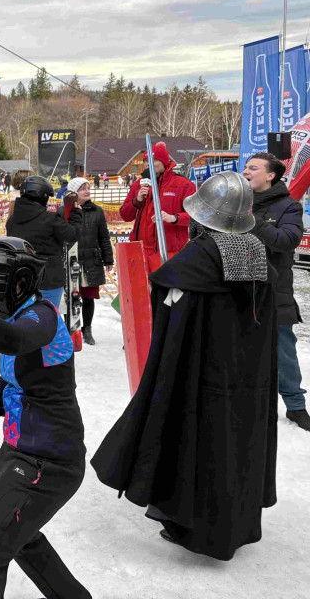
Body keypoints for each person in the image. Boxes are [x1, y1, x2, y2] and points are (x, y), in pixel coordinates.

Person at [91, 171, 277, 561]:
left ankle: (198, 532)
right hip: (246, 378)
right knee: (237, 441)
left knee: (199, 439)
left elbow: (171, 301)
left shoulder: (203, 253)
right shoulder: (255, 250)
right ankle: (236, 526)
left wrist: (168, 290)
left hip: (201, 372)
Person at [0, 237, 91, 599]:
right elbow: (14, 375)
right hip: (18, 451)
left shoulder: (42, 316)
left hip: (48, 462)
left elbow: (15, 341)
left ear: (17, 282)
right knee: (20, 538)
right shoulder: (17, 315)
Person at [244, 152, 310, 431]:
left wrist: (252, 220)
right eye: (245, 166)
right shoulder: (234, 202)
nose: (246, 171)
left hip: (273, 291)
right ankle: (243, 402)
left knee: (283, 352)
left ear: (271, 175)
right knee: (237, 350)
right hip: (236, 289)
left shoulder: (289, 207)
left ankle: (295, 406)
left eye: (253, 168)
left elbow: (286, 241)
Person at [119, 142, 195, 273]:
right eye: (146, 160)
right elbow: (125, 215)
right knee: (142, 293)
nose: (149, 164)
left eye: (154, 160)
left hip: (170, 252)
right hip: (140, 252)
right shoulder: (138, 185)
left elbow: (197, 216)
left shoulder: (183, 185)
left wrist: (174, 218)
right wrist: (136, 201)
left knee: (167, 293)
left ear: (165, 162)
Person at [6, 176, 80, 309]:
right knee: (47, 321)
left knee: (25, 321)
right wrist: (76, 215)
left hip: (21, 281)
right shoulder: (50, 220)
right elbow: (73, 235)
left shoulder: (11, 221)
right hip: (48, 282)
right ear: (43, 196)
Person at [57, 178, 113, 346]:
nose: (87, 191)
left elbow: (104, 237)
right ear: (74, 192)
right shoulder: (62, 212)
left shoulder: (97, 211)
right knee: (70, 297)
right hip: (70, 260)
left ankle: (87, 329)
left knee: (88, 297)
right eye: (83, 188)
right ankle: (72, 329)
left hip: (90, 260)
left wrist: (108, 259)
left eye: (88, 188)